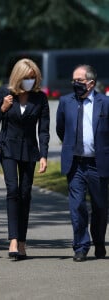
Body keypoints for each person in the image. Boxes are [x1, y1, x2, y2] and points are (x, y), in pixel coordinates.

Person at [0, 58, 50, 260]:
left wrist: (44, 155)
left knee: (25, 194)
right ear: (18, 77)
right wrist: (3, 108)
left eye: (33, 78)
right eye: (26, 78)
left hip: (29, 149)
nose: (30, 82)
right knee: (13, 190)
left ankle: (22, 241)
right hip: (8, 147)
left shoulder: (40, 98)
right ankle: (13, 239)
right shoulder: (5, 93)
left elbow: (43, 129)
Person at [56, 64, 109, 262]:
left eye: (79, 81)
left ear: (91, 83)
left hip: (98, 164)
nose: (74, 84)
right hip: (75, 163)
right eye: (73, 80)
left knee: (101, 207)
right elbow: (61, 130)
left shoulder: (105, 103)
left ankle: (99, 241)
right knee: (77, 206)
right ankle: (80, 246)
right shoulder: (65, 102)